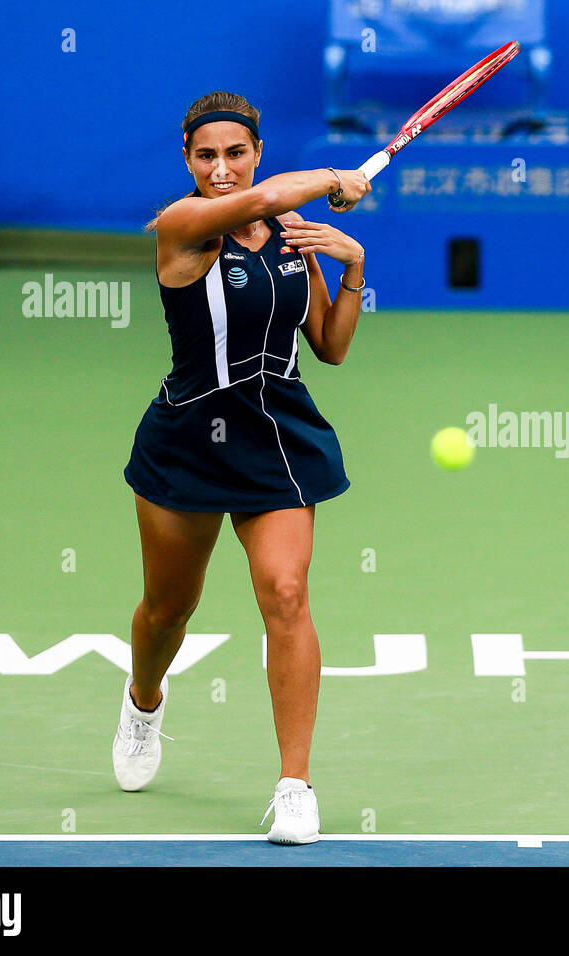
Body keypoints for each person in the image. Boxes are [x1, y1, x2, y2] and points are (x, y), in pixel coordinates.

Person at [115, 90, 370, 844]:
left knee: (287, 592)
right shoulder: (182, 226)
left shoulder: (291, 229)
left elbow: (330, 344)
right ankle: (143, 701)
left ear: (255, 150)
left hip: (278, 439)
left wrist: (351, 265)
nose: (222, 169)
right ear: (188, 161)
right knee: (168, 611)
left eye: (236, 153)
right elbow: (260, 197)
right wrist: (332, 176)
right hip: (188, 438)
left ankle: (295, 784)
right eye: (206, 155)